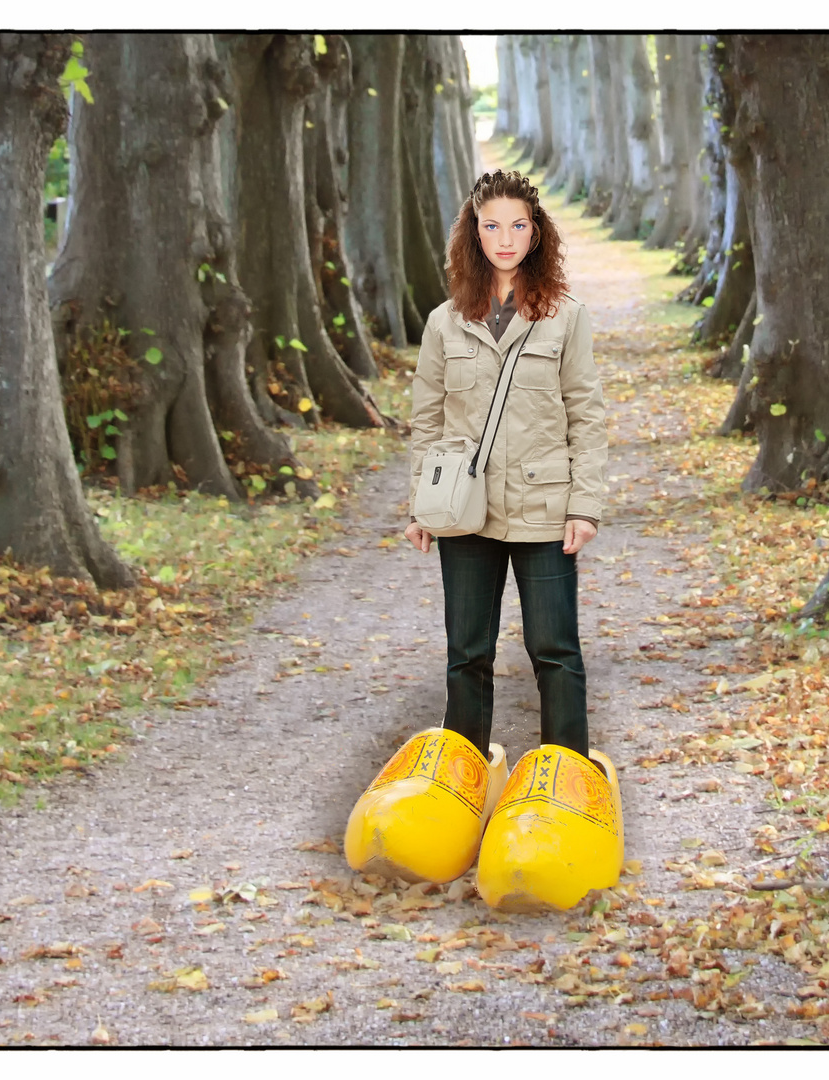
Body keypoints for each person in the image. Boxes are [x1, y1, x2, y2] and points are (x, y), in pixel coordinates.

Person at [345, 170, 622, 911]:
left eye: (518, 227)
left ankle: (566, 791)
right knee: (465, 652)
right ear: (473, 234)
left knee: (553, 650)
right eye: (490, 227)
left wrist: (584, 506)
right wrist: (421, 507)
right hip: (465, 514)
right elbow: (427, 422)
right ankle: (458, 789)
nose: (504, 240)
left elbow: (586, 416)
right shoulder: (445, 322)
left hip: (540, 509)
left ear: (537, 235)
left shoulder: (565, 317)